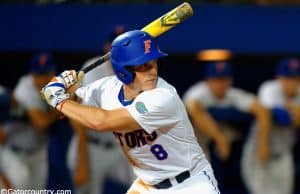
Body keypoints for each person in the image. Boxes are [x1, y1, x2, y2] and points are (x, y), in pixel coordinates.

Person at [41, 30, 220, 194]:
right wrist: (63, 88)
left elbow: (101, 122)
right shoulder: (106, 88)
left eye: (154, 62)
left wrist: (58, 99)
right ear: (123, 71)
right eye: (143, 66)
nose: (153, 71)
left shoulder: (163, 97)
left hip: (191, 183)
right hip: (148, 185)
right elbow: (70, 109)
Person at [182, 61, 271, 194]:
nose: (220, 84)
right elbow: (193, 108)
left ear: (230, 80)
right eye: (216, 79)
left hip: (221, 152)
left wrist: (263, 142)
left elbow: (262, 110)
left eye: (224, 79)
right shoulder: (199, 92)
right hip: (193, 151)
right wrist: (220, 139)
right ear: (208, 80)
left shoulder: (233, 94)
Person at [67, 25, 135, 194]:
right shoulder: (93, 67)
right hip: (92, 145)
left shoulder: (137, 70)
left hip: (119, 146)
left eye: (125, 45)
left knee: (149, 182)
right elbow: (88, 111)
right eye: (115, 46)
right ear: (107, 48)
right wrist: (82, 157)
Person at [0, 52, 59, 189]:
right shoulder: (25, 88)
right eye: (38, 74)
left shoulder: (55, 87)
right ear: (32, 73)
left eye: (46, 74)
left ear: (53, 73)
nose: (42, 79)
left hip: (38, 152)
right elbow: (41, 123)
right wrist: (60, 108)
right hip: (16, 152)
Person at [241, 58, 300, 194]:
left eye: (294, 78)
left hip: (284, 153)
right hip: (260, 149)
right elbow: (278, 116)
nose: (290, 82)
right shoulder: (269, 88)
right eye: (287, 77)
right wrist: (295, 112)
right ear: (279, 77)